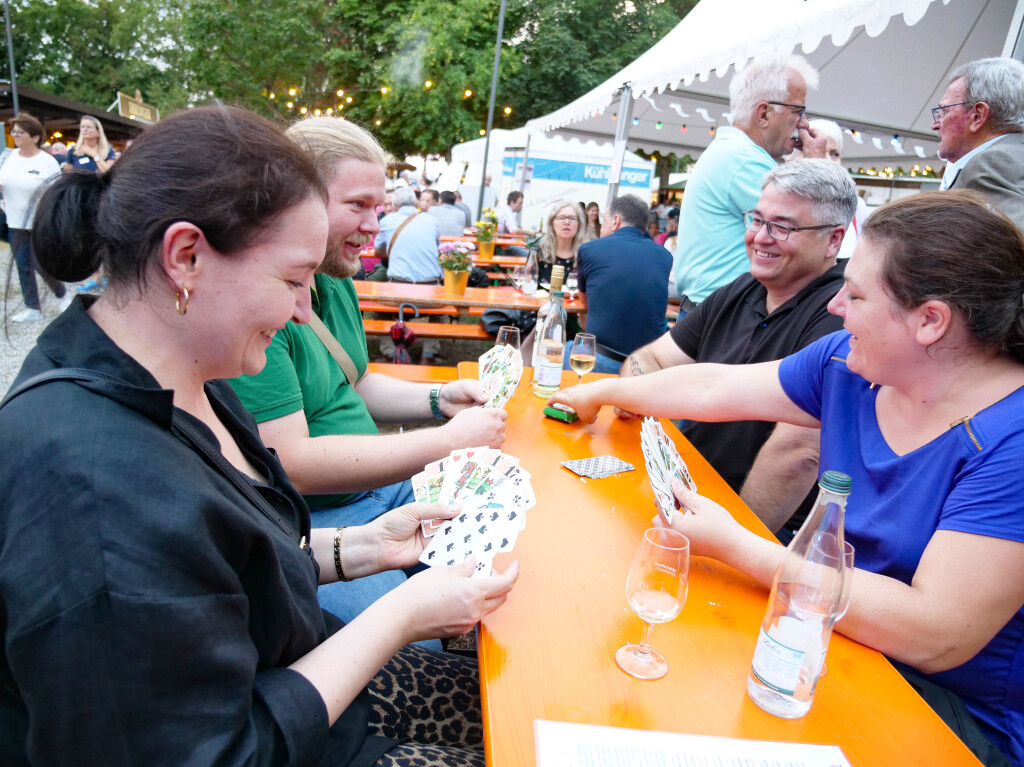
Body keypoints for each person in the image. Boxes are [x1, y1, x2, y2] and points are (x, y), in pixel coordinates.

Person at [0, 105, 518, 767]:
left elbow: (222, 571)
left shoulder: (189, 369)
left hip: (298, 689)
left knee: (502, 705)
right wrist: (403, 615)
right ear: (186, 256)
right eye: (293, 281)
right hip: (285, 729)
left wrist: (356, 547)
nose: (304, 309)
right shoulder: (88, 491)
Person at [551, 190, 1024, 767]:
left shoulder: (1011, 440)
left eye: (854, 294)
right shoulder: (849, 364)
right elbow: (711, 387)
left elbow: (935, 632)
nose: (834, 307)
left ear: (930, 321)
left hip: (944, 718)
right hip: (817, 646)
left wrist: (737, 546)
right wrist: (600, 392)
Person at [231, 116, 505, 626]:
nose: (375, 226)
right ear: (297, 200)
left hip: (384, 490)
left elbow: (355, 381)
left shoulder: (333, 280)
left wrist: (439, 400)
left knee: (511, 550)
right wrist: (445, 442)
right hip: (317, 520)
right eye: (357, 205)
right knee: (412, 653)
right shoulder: (266, 305)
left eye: (378, 207)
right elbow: (290, 463)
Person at [619, 159, 853, 540]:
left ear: (833, 239)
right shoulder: (742, 289)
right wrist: (637, 397)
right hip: (683, 493)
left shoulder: (842, 310)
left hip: (757, 531)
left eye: (782, 226)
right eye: (757, 220)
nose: (761, 237)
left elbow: (799, 454)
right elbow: (650, 358)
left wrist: (735, 544)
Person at [674, 54, 825, 311]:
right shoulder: (746, 160)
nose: (803, 123)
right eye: (797, 111)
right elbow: (813, 229)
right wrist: (818, 166)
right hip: (722, 316)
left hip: (709, 310)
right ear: (764, 114)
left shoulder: (731, 151)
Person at [575, 194, 672, 373]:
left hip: (601, 358)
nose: (601, 227)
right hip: (647, 366)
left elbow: (585, 303)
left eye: (604, 221)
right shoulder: (664, 256)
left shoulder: (589, 249)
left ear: (615, 221)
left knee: (558, 347)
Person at [933, 57, 1024, 230]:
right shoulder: (1011, 157)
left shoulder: (992, 162)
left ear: (978, 116)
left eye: (943, 111)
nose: (935, 124)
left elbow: (1015, 246)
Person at [1, 112, 68, 323]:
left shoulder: (46, 161)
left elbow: (55, 192)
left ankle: (60, 292)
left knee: (41, 264)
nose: (15, 135)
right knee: (22, 264)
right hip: (14, 219)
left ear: (35, 136)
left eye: (21, 132)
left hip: (39, 221)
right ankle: (33, 307)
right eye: (14, 132)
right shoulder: (9, 157)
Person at [374, 185, 447, 362]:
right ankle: (428, 354)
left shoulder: (386, 221)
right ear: (416, 204)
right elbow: (437, 248)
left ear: (396, 206)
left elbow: (378, 251)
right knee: (442, 312)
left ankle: (391, 352)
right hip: (429, 292)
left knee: (378, 310)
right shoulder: (431, 221)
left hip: (398, 291)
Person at [788, 119, 871, 260]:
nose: (827, 160)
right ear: (790, 161)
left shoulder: (856, 206)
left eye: (834, 153)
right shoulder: (783, 205)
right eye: (812, 150)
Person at [497, 191, 534, 256]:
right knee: (531, 257)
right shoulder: (507, 212)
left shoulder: (505, 210)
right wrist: (530, 233)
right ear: (512, 203)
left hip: (502, 246)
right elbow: (514, 231)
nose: (522, 206)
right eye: (520, 203)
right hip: (504, 248)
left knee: (527, 250)